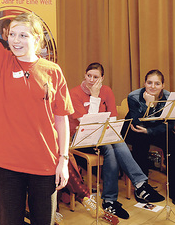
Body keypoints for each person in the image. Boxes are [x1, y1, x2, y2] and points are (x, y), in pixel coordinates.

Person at [0, 0, 74, 225]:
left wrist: (63, 159)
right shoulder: (2, 61)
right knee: (10, 220)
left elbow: (62, 119)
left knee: (43, 220)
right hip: (7, 162)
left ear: (37, 40)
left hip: (44, 162)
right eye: (12, 34)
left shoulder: (53, 71)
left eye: (23, 35)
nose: (15, 40)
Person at [69, 63, 164, 219]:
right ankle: (138, 185)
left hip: (103, 137)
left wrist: (107, 130)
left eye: (96, 77)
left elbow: (112, 120)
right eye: (89, 76)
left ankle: (111, 200)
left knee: (113, 146)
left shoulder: (107, 91)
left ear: (102, 78)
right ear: (84, 75)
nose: (92, 80)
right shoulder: (74, 94)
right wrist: (94, 96)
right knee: (114, 145)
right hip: (81, 137)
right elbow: (89, 125)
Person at [123, 69, 175, 202]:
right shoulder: (133, 96)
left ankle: (173, 188)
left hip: (154, 130)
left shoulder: (169, 98)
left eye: (157, 83)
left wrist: (150, 132)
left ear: (163, 85)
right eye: (149, 83)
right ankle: (142, 187)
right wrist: (147, 105)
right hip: (133, 131)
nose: (153, 86)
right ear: (144, 84)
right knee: (141, 139)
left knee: (172, 140)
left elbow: (169, 125)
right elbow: (137, 123)